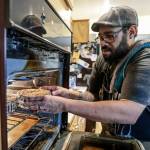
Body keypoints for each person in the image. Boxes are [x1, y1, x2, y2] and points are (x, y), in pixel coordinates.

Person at [23, 6, 150, 149]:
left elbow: (129, 112)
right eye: (101, 37)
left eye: (109, 35)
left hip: (140, 143)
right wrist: (68, 94)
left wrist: (63, 104)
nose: (103, 43)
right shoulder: (104, 59)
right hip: (110, 138)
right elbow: (92, 96)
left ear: (132, 32)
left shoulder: (144, 58)